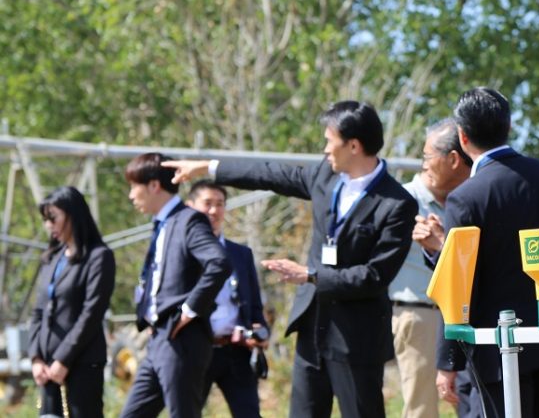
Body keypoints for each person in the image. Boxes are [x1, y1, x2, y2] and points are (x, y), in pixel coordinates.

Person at [162, 101, 418, 418]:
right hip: (312, 328)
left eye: (329, 141)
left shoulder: (397, 204)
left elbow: (374, 277)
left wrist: (311, 276)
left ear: (353, 145)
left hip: (356, 338)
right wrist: (209, 168)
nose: (325, 150)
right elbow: (270, 174)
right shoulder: (326, 175)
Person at [434, 87, 539, 418]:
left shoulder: (466, 197)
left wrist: (448, 361)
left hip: (494, 346)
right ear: (508, 126)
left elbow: (457, 286)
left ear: (462, 136)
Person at [120, 153, 231, 418]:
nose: (131, 195)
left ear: (153, 186)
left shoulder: (189, 220)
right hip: (159, 339)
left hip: (182, 339)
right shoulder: (163, 224)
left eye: (134, 186)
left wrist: (190, 309)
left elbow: (219, 263)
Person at [388, 118, 472, 418]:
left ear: (455, 161)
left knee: (473, 400)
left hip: (464, 316)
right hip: (419, 313)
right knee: (422, 407)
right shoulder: (400, 201)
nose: (424, 164)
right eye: (423, 157)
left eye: (428, 157)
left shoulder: (468, 199)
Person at [28, 186, 115, 418]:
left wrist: (63, 359)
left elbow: (92, 313)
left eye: (53, 218)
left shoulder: (99, 257)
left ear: (73, 214)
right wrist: (36, 357)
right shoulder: (51, 258)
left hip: (82, 364)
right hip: (47, 368)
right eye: (46, 219)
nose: (49, 226)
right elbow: (38, 312)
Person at [185, 180, 269, 418]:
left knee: (249, 413)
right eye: (207, 203)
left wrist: (260, 330)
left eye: (220, 204)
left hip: (236, 350)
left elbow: (253, 304)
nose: (214, 210)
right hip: (197, 350)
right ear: (190, 207)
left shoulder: (240, 254)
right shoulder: (182, 253)